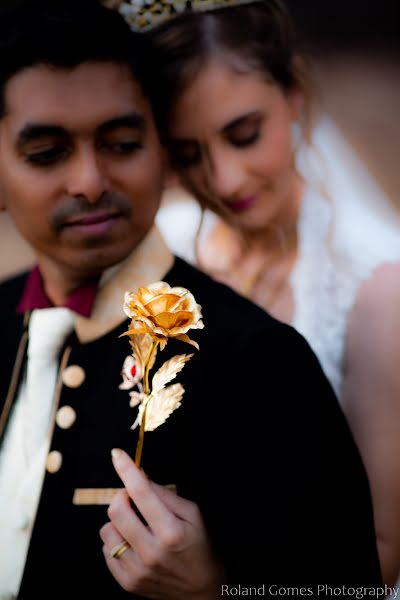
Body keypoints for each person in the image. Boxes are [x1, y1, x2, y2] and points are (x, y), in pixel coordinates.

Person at [0, 1, 382, 598]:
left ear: (159, 155)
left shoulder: (258, 359)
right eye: (46, 153)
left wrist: (221, 589)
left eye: (122, 143)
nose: (90, 182)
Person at [139, 0, 400, 584]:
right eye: (188, 155)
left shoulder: (378, 297)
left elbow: (380, 553)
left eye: (245, 134)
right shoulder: (167, 255)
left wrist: (213, 588)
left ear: (295, 97)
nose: (224, 181)